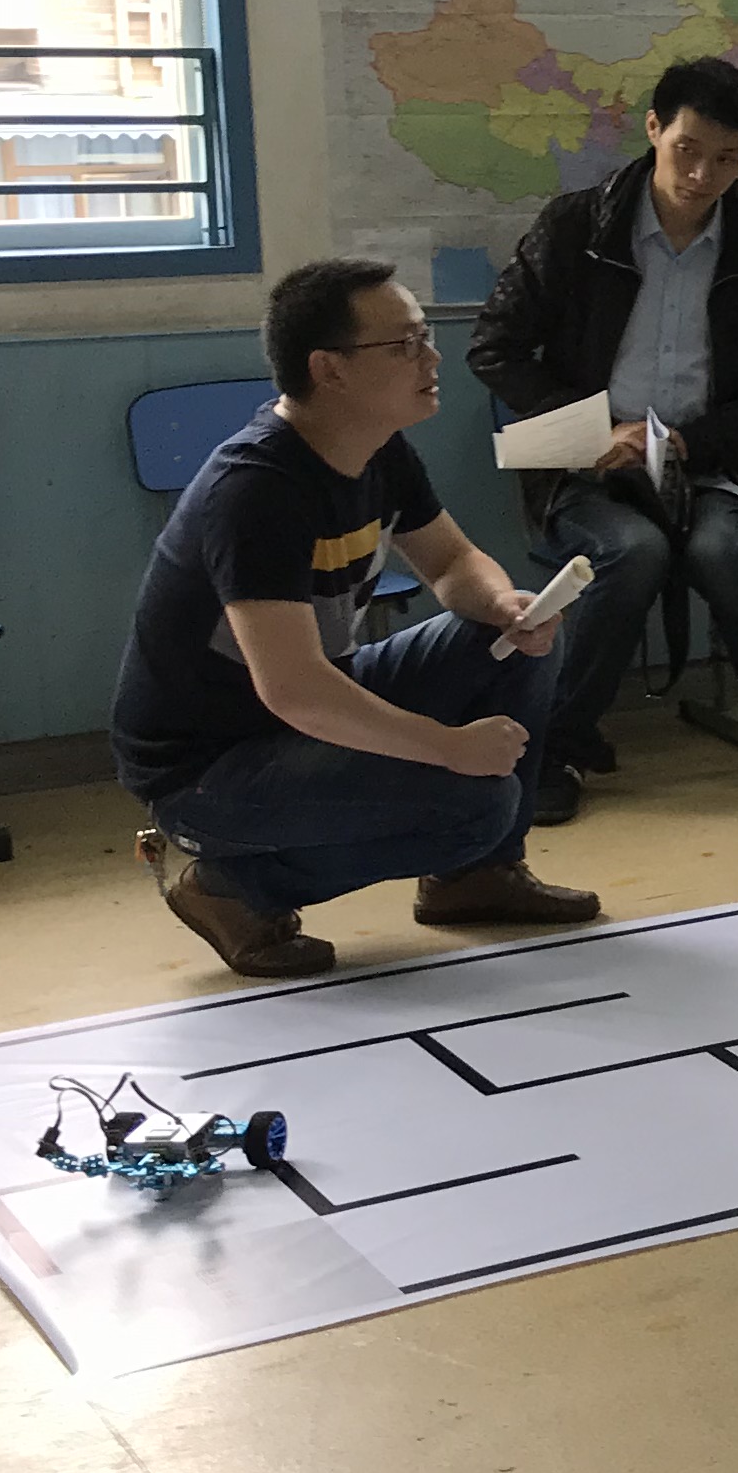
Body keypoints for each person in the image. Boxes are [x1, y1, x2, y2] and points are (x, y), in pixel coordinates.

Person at [111, 258, 600, 979]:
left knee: (507, 641)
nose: (432, 358)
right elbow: (295, 690)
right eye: (405, 344)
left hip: (301, 712)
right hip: (210, 768)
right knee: (477, 801)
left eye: (425, 337)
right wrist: (445, 746)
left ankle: (475, 878)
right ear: (329, 369)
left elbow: (451, 562)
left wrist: (505, 605)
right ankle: (231, 889)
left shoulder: (376, 448)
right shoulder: (257, 490)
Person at [467, 55, 738, 823]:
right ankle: (560, 748)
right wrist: (594, 428)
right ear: (653, 130)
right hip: (586, 469)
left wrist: (687, 444)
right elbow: (494, 348)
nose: (703, 176)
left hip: (704, 465)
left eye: (727, 159)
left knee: (723, 554)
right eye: (687, 150)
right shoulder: (576, 228)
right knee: (633, 552)